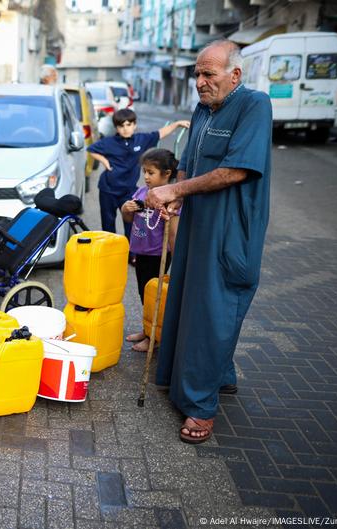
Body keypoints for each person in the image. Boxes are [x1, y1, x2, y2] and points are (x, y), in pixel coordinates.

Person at [145, 40, 272, 444]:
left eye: (209, 74)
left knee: (216, 308)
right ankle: (206, 375)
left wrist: (176, 192)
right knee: (186, 299)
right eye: (197, 74)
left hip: (230, 228)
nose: (200, 82)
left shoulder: (254, 105)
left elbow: (235, 170)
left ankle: (201, 405)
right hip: (197, 222)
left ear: (234, 75)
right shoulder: (202, 110)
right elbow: (188, 163)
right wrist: (176, 192)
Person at [87, 108, 188, 238]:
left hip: (129, 190)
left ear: (134, 125)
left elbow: (159, 134)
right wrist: (105, 162)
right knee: (108, 224)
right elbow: (91, 149)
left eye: (128, 124)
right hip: (108, 189)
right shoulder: (108, 142)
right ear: (116, 127)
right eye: (121, 125)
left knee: (131, 222)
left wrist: (176, 124)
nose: (125, 128)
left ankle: (131, 254)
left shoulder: (141, 139)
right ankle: (111, 252)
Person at [121, 148, 180, 353]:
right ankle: (147, 330)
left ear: (167, 174)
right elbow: (128, 220)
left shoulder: (170, 199)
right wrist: (125, 210)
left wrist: (176, 252)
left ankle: (153, 336)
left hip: (158, 254)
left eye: (151, 173)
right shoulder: (140, 192)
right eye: (144, 172)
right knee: (143, 293)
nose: (146, 177)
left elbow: (173, 230)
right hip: (141, 252)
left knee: (155, 295)